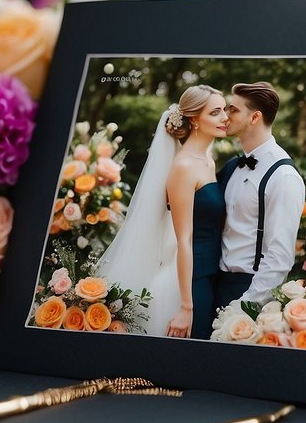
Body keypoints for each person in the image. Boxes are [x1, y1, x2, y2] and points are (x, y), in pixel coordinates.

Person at [95, 85, 227, 338]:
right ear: (194, 120)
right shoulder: (184, 166)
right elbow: (183, 240)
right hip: (189, 282)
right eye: (215, 112)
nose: (225, 118)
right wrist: (187, 307)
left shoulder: (207, 160)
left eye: (224, 111)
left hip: (210, 273)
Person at [215, 81, 305, 312]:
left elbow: (280, 257)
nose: (225, 116)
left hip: (247, 291)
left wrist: (244, 307)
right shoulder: (233, 166)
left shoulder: (283, 176)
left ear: (255, 117)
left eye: (233, 110)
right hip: (213, 284)